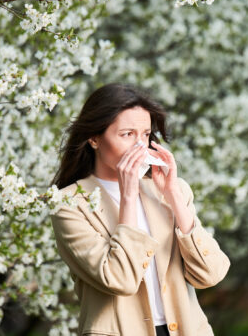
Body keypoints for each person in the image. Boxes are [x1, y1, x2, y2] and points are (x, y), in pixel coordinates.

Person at [51, 83, 231, 336]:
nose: (139, 146)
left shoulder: (172, 191)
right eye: (127, 134)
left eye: (145, 135)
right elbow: (119, 279)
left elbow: (211, 274)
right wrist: (127, 196)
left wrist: (174, 197)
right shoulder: (69, 204)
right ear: (94, 138)